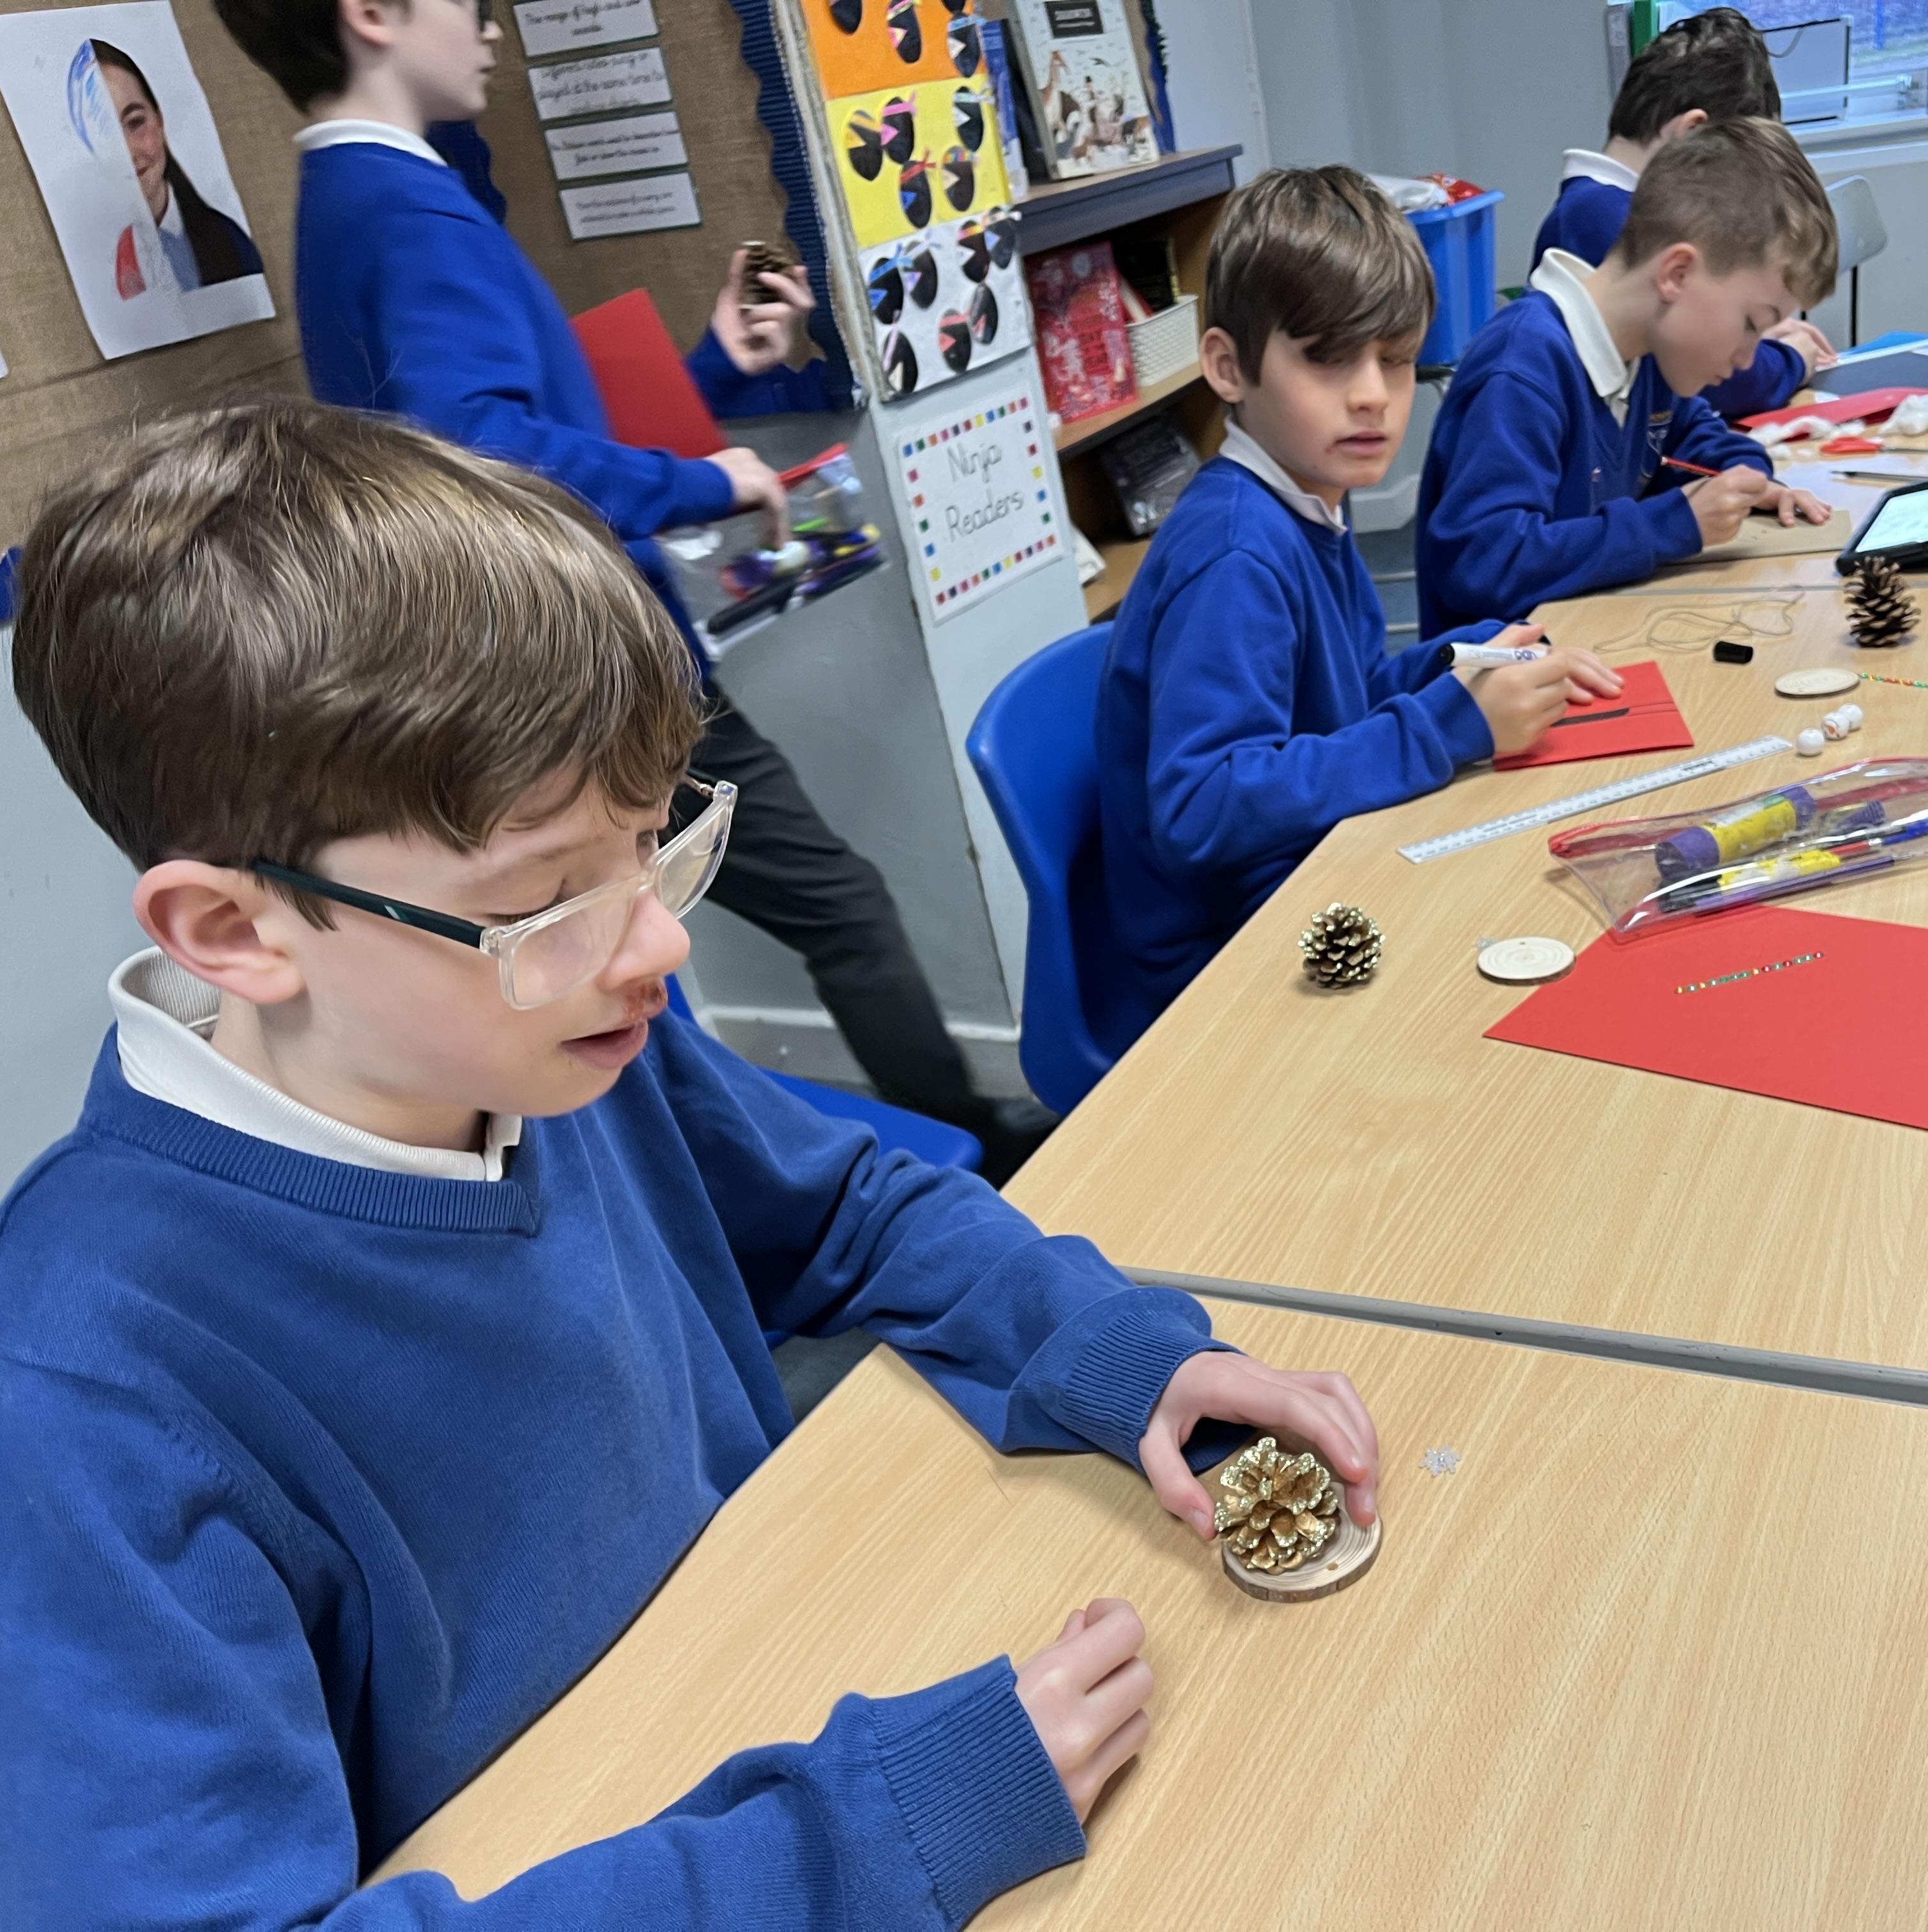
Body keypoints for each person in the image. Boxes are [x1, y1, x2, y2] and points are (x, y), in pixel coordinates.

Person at [0, 399, 1386, 1927]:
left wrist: (1107, 1348)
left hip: (774, 1671)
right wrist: (855, 1845)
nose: (660, 943)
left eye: (655, 844)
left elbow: (852, 1211)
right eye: (548, 900)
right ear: (235, 932)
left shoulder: (557, 1039)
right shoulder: (82, 1391)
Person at [212, 0, 1054, 1177]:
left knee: (614, 956)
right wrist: (702, 481)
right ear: (373, 13)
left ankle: (804, 1167)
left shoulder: (352, 195)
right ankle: (972, 1152)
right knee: (820, 908)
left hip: (528, 668)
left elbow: (523, 429)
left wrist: (713, 372)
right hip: (580, 677)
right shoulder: (408, 207)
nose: (490, 27)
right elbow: (484, 453)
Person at [1092, 167, 1621, 1055]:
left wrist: (1458, 662)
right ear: (1228, 367)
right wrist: (1443, 727)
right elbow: (1202, 806)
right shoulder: (1235, 553)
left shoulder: (1308, 498)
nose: (1374, 393)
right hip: (1224, 960)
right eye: (1328, 358)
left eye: (1397, 359)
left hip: (1305, 876)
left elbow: (1338, 699)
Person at [1413, 119, 1839, 638]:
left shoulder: (1647, 356)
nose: (1750, 360)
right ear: (1677, 274)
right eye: (1752, 324)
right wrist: (1672, 525)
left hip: (1595, 641)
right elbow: (1485, 563)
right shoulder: (1523, 369)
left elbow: (1694, 439)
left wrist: (1746, 479)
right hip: (1506, 673)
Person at [1529, 6, 1833, 418]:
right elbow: (1719, 386)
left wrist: (1750, 329)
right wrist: (1791, 359)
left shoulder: (1600, 205)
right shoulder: (1604, 216)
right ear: (1693, 135)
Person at [91, 38, 264, 296]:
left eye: (135, 123)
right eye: (106, 135)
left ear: (159, 120)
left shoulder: (228, 238)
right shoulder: (97, 268)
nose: (128, 152)